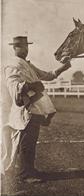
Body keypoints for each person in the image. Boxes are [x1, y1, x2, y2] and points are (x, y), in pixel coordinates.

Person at [2, 36, 71, 183]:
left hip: (34, 108)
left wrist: (63, 68)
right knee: (26, 142)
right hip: (23, 110)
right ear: (15, 48)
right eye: (22, 46)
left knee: (31, 141)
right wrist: (32, 86)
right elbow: (13, 88)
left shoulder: (27, 65)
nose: (25, 49)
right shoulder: (12, 65)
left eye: (26, 46)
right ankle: (25, 174)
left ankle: (30, 170)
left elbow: (47, 75)